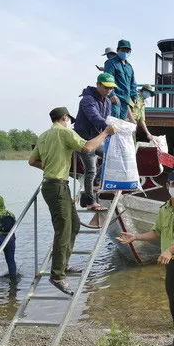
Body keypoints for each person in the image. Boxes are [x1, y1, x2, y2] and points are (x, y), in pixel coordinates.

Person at [29, 107, 116, 295]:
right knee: (63, 230)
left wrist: (52, 166)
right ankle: (57, 276)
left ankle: (64, 264)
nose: (69, 121)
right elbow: (87, 148)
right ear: (64, 117)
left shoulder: (44, 135)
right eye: (68, 119)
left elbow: (32, 161)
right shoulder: (65, 132)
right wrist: (106, 133)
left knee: (74, 225)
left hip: (54, 185)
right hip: (57, 187)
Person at [117, 170, 174, 346]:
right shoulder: (164, 209)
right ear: (167, 186)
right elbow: (157, 232)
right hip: (171, 263)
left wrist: (169, 250)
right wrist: (136, 237)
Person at [74, 73, 118, 211]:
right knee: (91, 170)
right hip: (84, 140)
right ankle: (90, 202)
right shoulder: (87, 100)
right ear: (98, 84)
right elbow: (96, 118)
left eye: (111, 88)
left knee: (111, 156)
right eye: (106, 87)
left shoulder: (108, 101)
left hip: (96, 138)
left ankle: (96, 183)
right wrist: (109, 127)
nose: (108, 91)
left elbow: (107, 119)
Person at [104, 39, 138, 120]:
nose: (125, 52)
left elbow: (132, 83)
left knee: (121, 124)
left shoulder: (129, 67)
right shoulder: (110, 63)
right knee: (113, 122)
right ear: (117, 50)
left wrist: (134, 96)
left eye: (128, 50)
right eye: (123, 50)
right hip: (115, 98)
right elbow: (108, 80)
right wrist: (112, 95)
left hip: (125, 100)